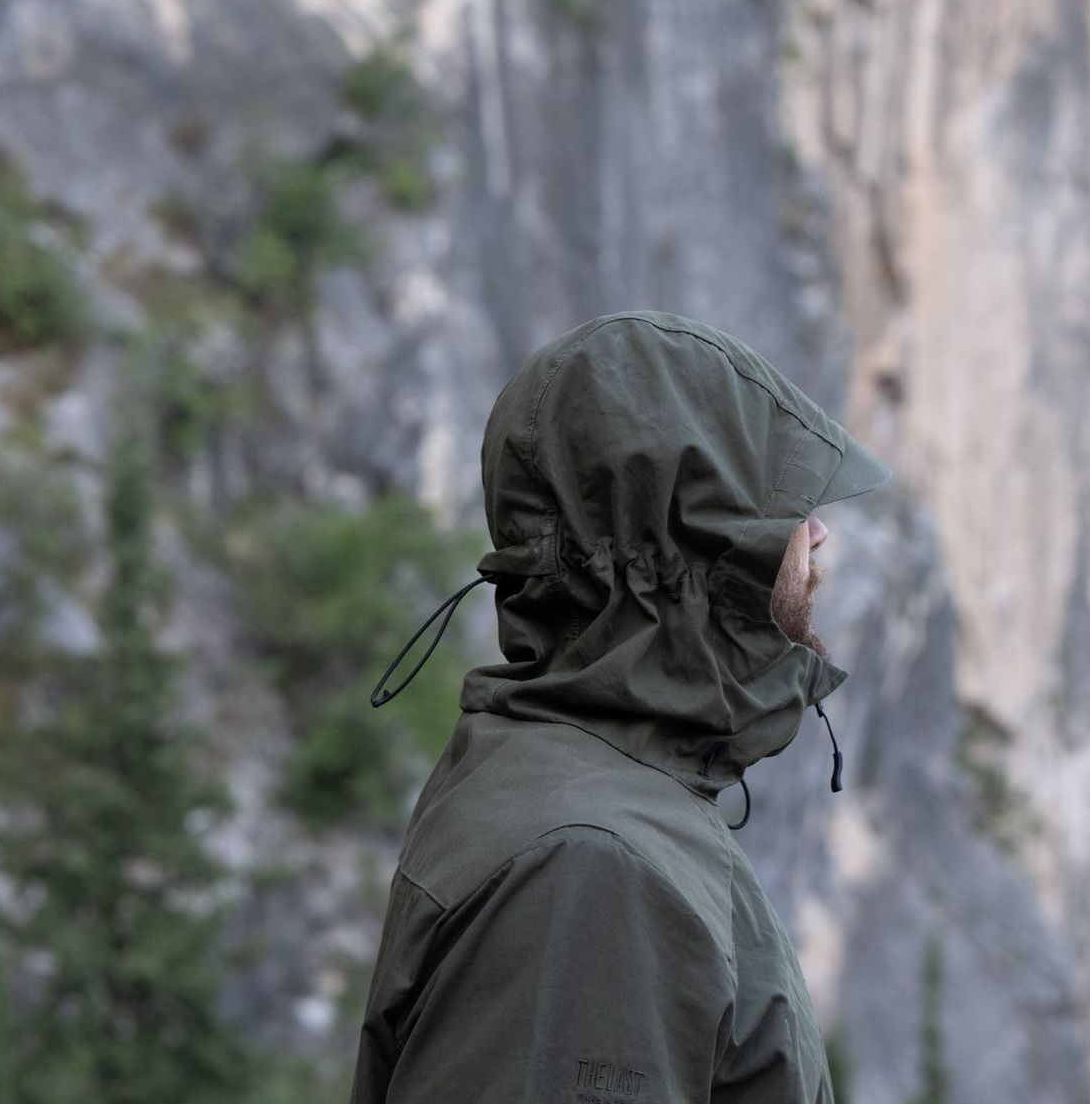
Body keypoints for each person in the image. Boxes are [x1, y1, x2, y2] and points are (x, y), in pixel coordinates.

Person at [349, 309, 890, 1103]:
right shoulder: (592, 865)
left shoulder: (606, 808)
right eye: (783, 504)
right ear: (691, 540)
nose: (817, 538)